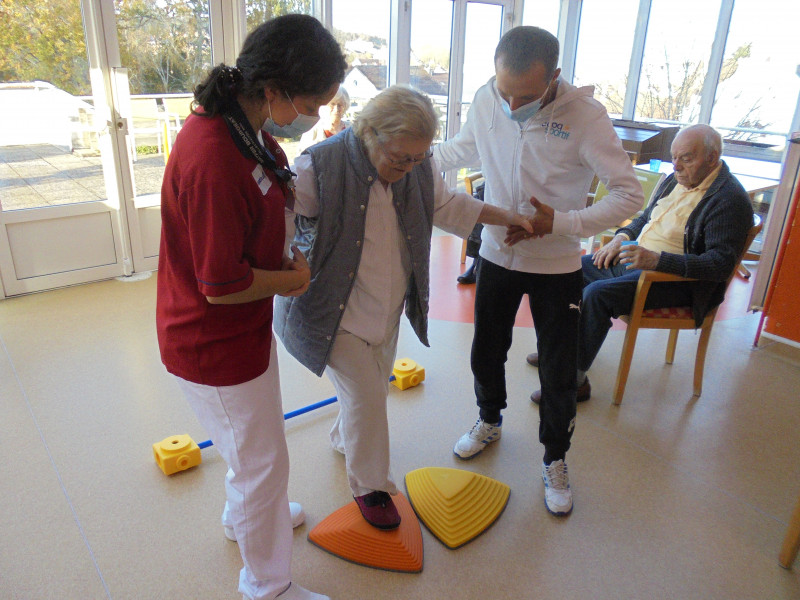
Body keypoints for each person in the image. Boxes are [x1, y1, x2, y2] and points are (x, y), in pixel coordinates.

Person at [273, 85, 533, 530]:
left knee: (371, 391)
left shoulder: (417, 163)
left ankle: (344, 438)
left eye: (417, 160)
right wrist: (276, 272)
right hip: (331, 307)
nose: (408, 168)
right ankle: (371, 487)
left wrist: (509, 216)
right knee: (369, 395)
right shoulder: (319, 164)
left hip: (387, 306)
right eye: (399, 159)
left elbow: (447, 205)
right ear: (369, 133)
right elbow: (284, 220)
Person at [156, 14, 346, 600]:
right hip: (211, 338)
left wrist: (287, 258)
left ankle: (244, 519)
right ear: (275, 91)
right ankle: (268, 585)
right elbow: (220, 284)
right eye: (313, 102)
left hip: (239, 330)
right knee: (264, 462)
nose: (315, 115)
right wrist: (289, 281)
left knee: (252, 449)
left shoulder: (250, 130)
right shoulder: (213, 154)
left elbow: (267, 204)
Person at [433, 26, 643, 517]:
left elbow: (628, 194)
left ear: (554, 77)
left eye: (524, 96)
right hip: (496, 254)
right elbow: (457, 149)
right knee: (487, 348)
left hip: (556, 265)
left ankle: (555, 458)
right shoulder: (488, 98)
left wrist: (561, 223)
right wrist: (401, 155)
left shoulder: (585, 117)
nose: (510, 104)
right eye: (504, 90)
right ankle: (489, 419)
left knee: (556, 367)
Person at [527, 124, 754, 401]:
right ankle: (561, 351)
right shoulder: (675, 180)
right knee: (565, 273)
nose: (677, 166)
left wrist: (658, 260)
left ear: (712, 157)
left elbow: (719, 264)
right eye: (674, 157)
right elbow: (645, 218)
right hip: (637, 259)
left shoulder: (729, 199)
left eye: (686, 158)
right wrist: (620, 238)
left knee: (596, 296)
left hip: (674, 281)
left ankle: (573, 381)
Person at [297, 85, 350, 152]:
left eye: (340, 105)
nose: (336, 109)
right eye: (332, 104)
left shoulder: (352, 130)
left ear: (345, 106)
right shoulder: (311, 131)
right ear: (323, 106)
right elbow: (302, 159)